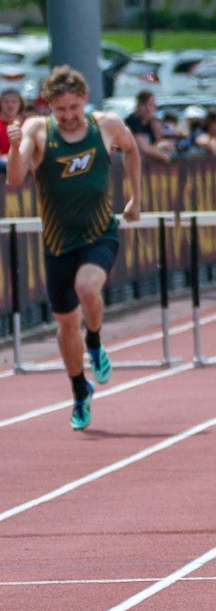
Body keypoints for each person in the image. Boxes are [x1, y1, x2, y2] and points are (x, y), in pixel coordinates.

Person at [5, 65, 142, 430]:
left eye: (73, 108)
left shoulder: (106, 125)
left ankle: (94, 342)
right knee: (66, 324)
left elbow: (131, 150)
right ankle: (80, 391)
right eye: (60, 109)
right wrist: (15, 146)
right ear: (49, 105)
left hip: (99, 233)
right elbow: (15, 179)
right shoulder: (38, 129)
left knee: (87, 287)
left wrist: (135, 198)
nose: (67, 116)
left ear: (85, 100)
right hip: (58, 243)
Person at [126, 90, 174, 162]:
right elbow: (144, 149)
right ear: (138, 106)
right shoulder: (133, 121)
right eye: (145, 105)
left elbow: (165, 144)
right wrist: (164, 157)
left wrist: (158, 138)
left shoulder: (152, 123)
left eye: (151, 105)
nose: (148, 109)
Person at [0, 88, 23, 175]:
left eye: (14, 102)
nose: (10, 105)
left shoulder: (26, 125)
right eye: (6, 102)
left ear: (20, 104)